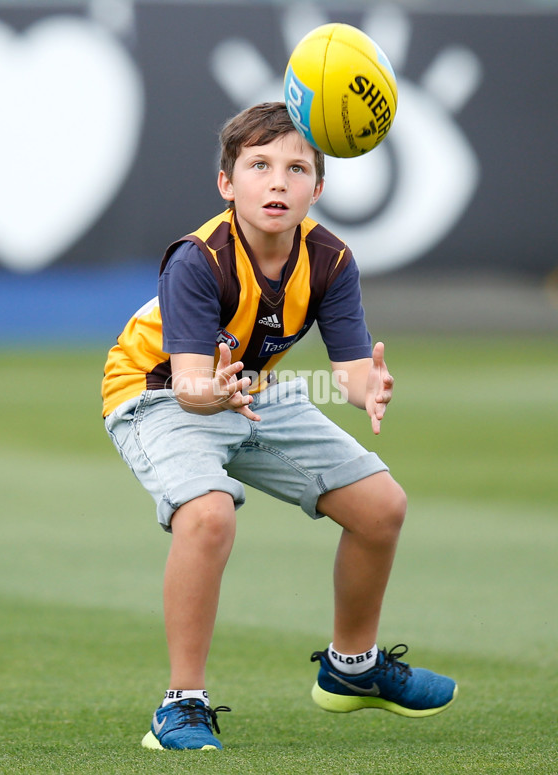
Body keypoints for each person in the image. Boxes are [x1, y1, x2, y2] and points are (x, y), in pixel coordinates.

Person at [101, 102, 457, 752]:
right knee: (208, 515)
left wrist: (368, 387)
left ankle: (352, 668)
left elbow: (349, 370)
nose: (277, 181)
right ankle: (181, 704)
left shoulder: (330, 258)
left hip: (247, 388)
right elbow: (189, 385)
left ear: (317, 188)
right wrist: (220, 392)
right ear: (226, 182)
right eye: (259, 164)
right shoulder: (198, 260)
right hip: (156, 393)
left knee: (381, 506)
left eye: (296, 168)